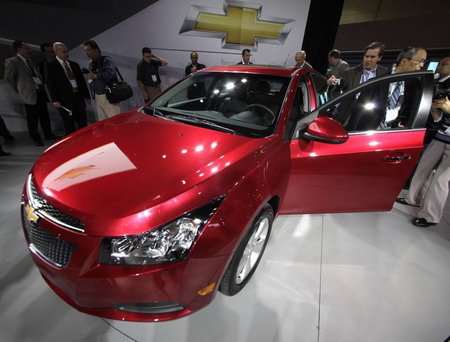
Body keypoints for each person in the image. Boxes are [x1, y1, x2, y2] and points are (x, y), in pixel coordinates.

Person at [395, 95, 450, 227]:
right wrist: (435, 110)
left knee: (440, 179)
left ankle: (430, 216)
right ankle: (413, 199)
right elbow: (441, 120)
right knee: (423, 168)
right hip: (441, 136)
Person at [4, 40, 59, 146]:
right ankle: (36, 138)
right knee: (32, 118)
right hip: (29, 93)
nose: (29, 50)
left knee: (44, 114)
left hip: (39, 90)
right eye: (26, 48)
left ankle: (48, 134)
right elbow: (9, 77)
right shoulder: (12, 61)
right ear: (18, 49)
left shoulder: (29, 60)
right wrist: (19, 89)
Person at [45, 42, 91, 136]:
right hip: (64, 100)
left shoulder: (74, 65)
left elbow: (82, 82)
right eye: (63, 52)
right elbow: (51, 84)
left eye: (67, 51)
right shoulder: (50, 66)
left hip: (78, 97)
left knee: (83, 122)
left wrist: (87, 96)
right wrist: (55, 99)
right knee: (69, 125)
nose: (67, 54)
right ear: (56, 52)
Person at [382, 46, 427, 128]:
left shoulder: (416, 85)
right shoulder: (378, 81)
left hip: (398, 130)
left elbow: (412, 110)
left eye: (424, 61)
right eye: (420, 61)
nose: (422, 65)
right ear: (404, 61)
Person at [83, 40, 120, 121]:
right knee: (103, 122)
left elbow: (110, 74)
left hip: (109, 95)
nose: (86, 53)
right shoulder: (91, 64)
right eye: (85, 51)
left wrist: (95, 76)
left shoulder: (106, 60)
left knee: (114, 121)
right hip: (98, 96)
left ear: (96, 50)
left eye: (88, 50)